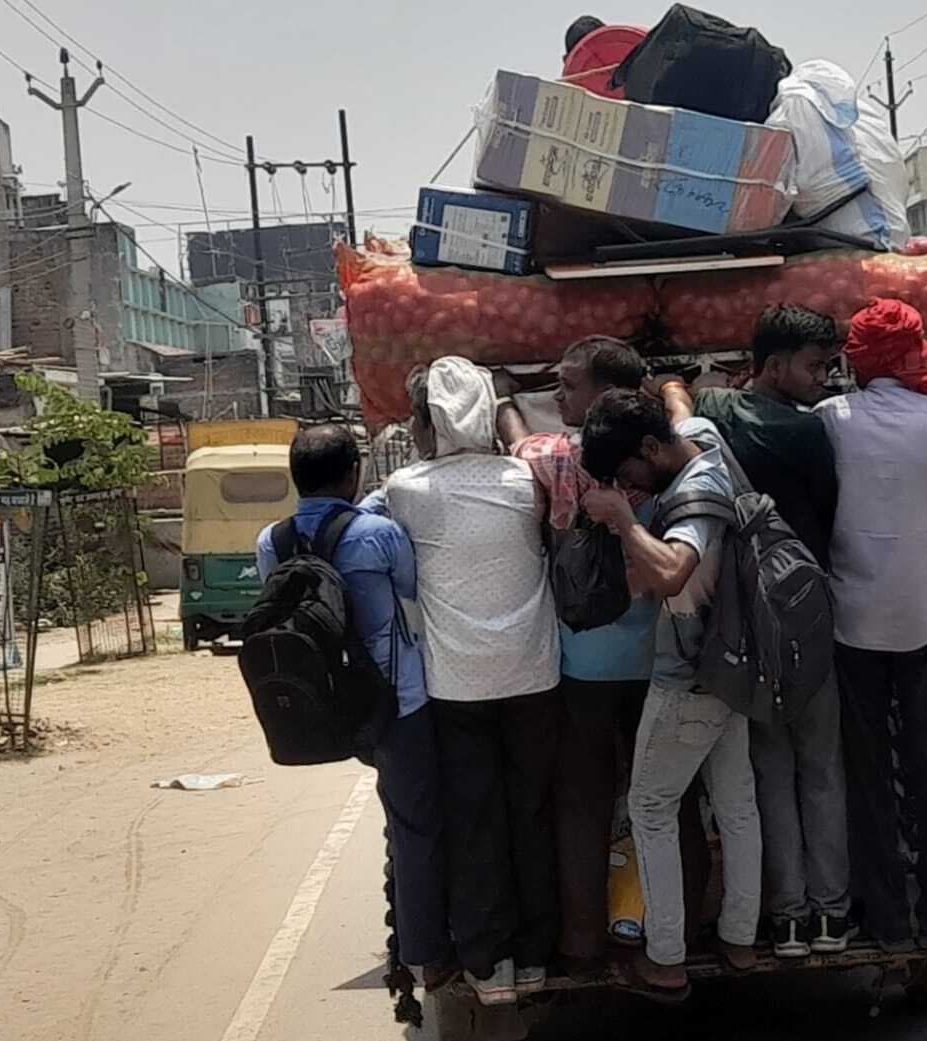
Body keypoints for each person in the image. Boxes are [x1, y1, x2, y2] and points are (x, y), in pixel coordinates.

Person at [494, 337, 711, 976]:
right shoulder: (664, 458)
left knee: (584, 801)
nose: (559, 397)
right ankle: (685, 930)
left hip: (585, 664)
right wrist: (674, 387)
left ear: (606, 394)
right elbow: (681, 421)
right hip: (663, 658)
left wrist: (508, 400)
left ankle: (584, 939)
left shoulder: (558, 458)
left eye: (568, 384)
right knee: (673, 800)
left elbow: (517, 442)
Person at [379, 357, 563, 1006]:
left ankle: (492, 961)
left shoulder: (408, 489)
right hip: (536, 676)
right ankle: (541, 952)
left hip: (457, 686)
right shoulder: (525, 479)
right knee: (533, 815)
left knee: (476, 822)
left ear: (429, 421)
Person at [678, 304, 851, 958]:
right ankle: (832, 916)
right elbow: (832, 513)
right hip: (809, 617)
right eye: (813, 366)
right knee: (823, 771)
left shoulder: (714, 409)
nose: (822, 378)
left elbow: (685, 402)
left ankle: (787, 919)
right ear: (773, 365)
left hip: (747, 623)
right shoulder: (808, 434)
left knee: (769, 769)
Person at [580, 390, 763, 995]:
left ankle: (665, 957)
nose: (629, 485)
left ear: (653, 449)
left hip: (689, 674)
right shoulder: (706, 445)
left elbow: (671, 572)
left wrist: (622, 519)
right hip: (731, 665)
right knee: (736, 806)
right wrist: (669, 390)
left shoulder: (692, 497)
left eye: (628, 472)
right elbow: (683, 411)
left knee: (651, 808)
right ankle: (739, 939)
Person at [255, 425, 446, 985]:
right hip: (398, 700)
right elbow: (413, 591)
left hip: (332, 703)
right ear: (354, 474)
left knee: (398, 816)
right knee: (418, 827)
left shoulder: (273, 542)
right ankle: (426, 955)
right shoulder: (380, 535)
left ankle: (413, 939)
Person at [814, 299, 927, 952]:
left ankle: (881, 917)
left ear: (857, 358)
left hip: (850, 621)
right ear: (913, 352)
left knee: (867, 772)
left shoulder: (829, 419)